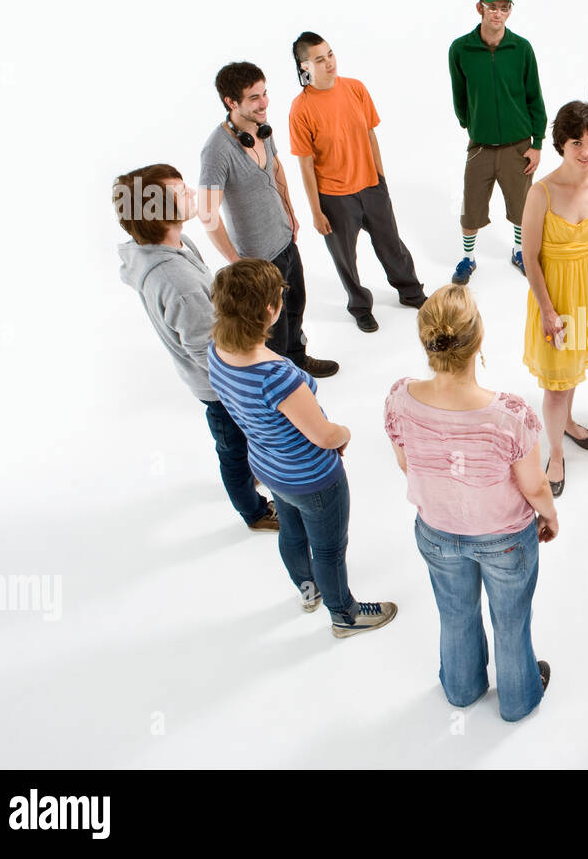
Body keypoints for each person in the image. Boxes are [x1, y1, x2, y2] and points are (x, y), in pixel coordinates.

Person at [384, 285, 558, 722]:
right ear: (478, 340)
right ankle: (518, 700)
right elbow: (535, 487)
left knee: (455, 615)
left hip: (436, 533)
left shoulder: (400, 399)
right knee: (511, 621)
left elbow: (407, 464)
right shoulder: (510, 416)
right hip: (504, 540)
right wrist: (550, 514)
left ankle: (462, 690)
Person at [207, 258, 397, 637]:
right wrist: (343, 433)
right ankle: (344, 614)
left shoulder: (216, 351)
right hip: (313, 479)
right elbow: (324, 435)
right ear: (268, 310)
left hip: (268, 466)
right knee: (328, 550)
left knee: (291, 533)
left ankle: (307, 592)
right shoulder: (276, 375)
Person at [116, 163, 278, 533]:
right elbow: (205, 350)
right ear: (157, 212)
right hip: (220, 387)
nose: (193, 194)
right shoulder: (177, 281)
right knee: (233, 452)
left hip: (222, 375)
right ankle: (254, 512)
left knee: (241, 444)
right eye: (182, 193)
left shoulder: (177, 243)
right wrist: (245, 383)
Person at [198, 61, 338, 378]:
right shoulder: (216, 151)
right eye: (254, 98)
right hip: (257, 260)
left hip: (285, 240)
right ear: (231, 103)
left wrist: (290, 213)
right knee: (272, 328)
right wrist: (236, 262)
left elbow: (275, 167)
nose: (264, 104)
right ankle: (281, 382)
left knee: (295, 306)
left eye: (265, 93)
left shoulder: (262, 128)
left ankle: (298, 360)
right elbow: (207, 213)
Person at [289, 32, 427, 332]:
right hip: (334, 196)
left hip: (371, 185)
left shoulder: (355, 88)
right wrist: (316, 211)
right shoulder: (301, 109)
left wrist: (381, 178)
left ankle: (411, 292)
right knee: (345, 258)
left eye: (330, 54)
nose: (329, 63)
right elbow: (305, 163)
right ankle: (360, 306)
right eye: (319, 59)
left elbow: (370, 133)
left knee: (392, 245)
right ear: (305, 67)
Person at [521, 102, 588, 495]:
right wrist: (547, 310)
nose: (586, 151)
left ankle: (569, 420)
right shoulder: (541, 192)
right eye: (577, 142)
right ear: (561, 143)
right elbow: (529, 256)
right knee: (556, 383)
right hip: (555, 294)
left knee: (574, 366)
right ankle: (556, 453)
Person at [448, 0, 548, 284]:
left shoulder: (521, 48)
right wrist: (472, 123)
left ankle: (519, 251)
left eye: (504, 8)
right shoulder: (461, 49)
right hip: (480, 145)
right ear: (480, 7)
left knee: (521, 206)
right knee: (471, 206)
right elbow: (459, 96)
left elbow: (534, 95)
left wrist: (538, 142)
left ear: (509, 12)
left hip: (518, 144)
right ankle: (468, 258)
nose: (498, 13)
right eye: (492, 6)